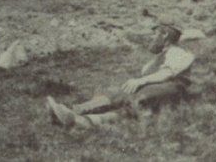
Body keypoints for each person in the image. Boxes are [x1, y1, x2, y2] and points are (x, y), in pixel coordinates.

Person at [46, 23, 194, 129]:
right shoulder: (157, 58)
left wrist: (141, 81)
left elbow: (167, 73)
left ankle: (82, 121)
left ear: (165, 34)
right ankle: (73, 111)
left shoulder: (179, 53)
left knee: (137, 101)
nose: (152, 38)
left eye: (155, 34)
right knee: (120, 94)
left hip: (171, 90)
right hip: (155, 88)